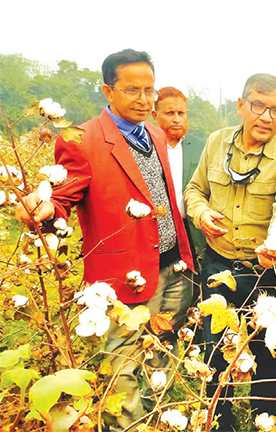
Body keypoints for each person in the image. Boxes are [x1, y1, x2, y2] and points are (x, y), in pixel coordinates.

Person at [15, 49, 194, 430]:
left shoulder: (157, 134)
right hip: (121, 275)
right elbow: (63, 196)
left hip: (171, 266)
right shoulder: (81, 139)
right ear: (108, 91)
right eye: (132, 90)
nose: (144, 100)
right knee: (123, 372)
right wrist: (45, 211)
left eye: (150, 91)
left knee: (159, 358)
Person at [184, 73, 276, 431]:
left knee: (268, 347)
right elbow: (195, 190)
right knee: (217, 344)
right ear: (241, 105)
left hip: (264, 269)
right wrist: (201, 214)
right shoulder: (217, 143)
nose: (267, 117)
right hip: (219, 264)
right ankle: (219, 418)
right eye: (259, 106)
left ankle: (265, 416)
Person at [153, 87, 206, 292]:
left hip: (194, 233)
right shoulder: (147, 146)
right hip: (161, 235)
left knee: (196, 291)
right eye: (169, 113)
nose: (176, 119)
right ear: (155, 115)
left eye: (181, 113)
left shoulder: (201, 146)